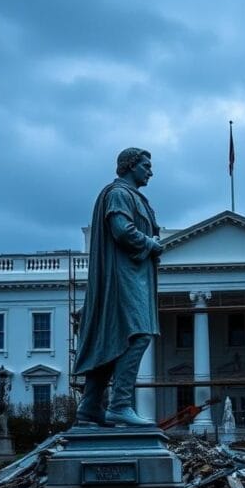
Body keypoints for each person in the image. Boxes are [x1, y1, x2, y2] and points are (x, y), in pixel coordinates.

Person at [73, 148, 161, 427]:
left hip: (133, 273)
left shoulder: (133, 196)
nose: (151, 170)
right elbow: (122, 231)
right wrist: (150, 244)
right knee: (139, 334)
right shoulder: (119, 194)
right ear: (130, 165)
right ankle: (120, 404)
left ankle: (89, 408)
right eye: (146, 165)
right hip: (123, 277)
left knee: (113, 339)